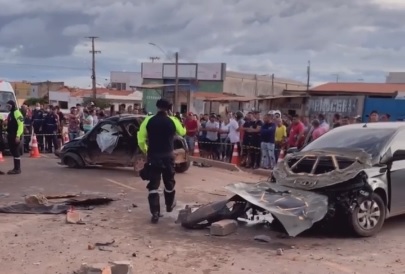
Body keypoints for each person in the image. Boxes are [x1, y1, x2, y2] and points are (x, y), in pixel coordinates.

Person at [137, 99, 186, 224]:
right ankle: (169, 205)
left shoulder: (148, 120)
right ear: (169, 108)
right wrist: (177, 119)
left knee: (153, 185)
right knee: (169, 182)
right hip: (168, 156)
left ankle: (155, 213)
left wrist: (146, 150)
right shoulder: (173, 121)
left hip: (153, 156)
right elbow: (182, 132)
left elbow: (141, 139)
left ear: (157, 107)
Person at [5, 100, 24, 174]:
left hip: (15, 136)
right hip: (11, 135)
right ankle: (15, 168)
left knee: (15, 151)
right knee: (13, 151)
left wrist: (18, 136)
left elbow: (21, 125)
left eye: (9, 106)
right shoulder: (11, 113)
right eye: (7, 106)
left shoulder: (17, 113)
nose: (8, 108)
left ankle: (17, 168)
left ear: (13, 106)